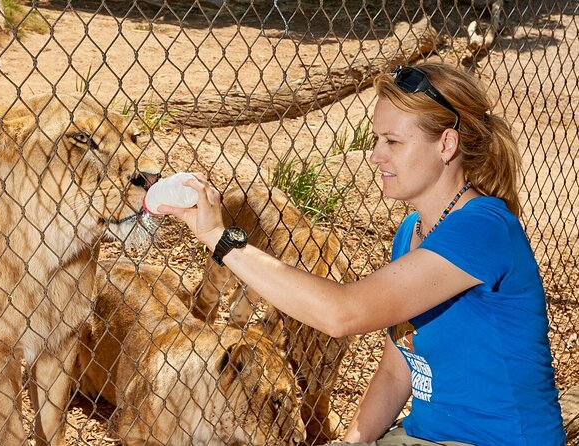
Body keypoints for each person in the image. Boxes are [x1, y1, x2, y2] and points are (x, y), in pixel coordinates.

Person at [160, 62, 566, 446]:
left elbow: (343, 313)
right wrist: (353, 441)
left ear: (446, 144)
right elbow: (395, 368)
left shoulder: (483, 228)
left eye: (392, 141)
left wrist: (220, 237)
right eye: (376, 139)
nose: (375, 155)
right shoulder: (412, 232)